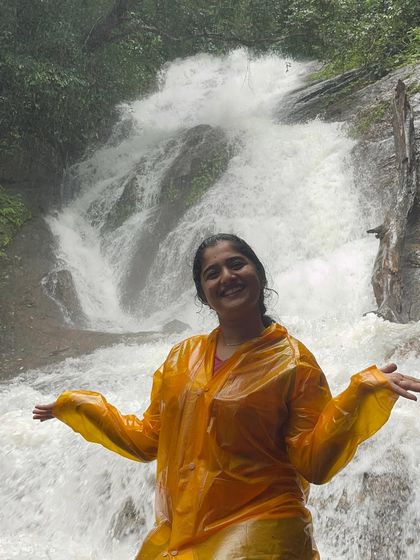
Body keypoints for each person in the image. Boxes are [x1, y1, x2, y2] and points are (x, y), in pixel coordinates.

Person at [33, 233, 420, 559]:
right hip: (185, 524)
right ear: (203, 294)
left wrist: (360, 394)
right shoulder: (181, 358)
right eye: (212, 272)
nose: (226, 277)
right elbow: (148, 438)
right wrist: (76, 404)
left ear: (259, 274)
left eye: (237, 264)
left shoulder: (295, 363)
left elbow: (314, 462)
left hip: (265, 519)